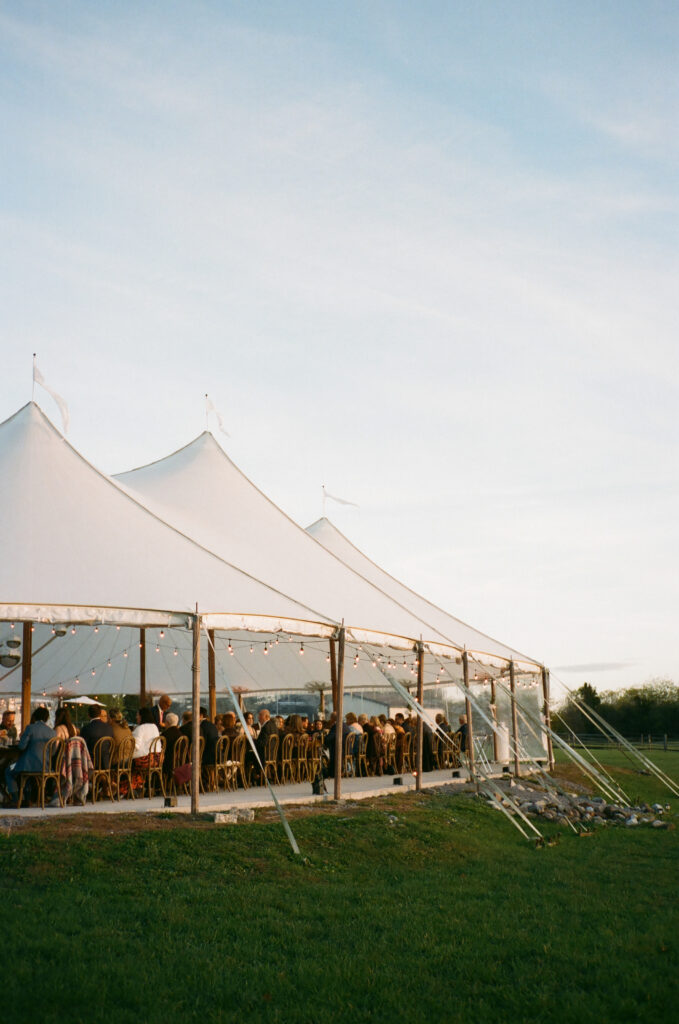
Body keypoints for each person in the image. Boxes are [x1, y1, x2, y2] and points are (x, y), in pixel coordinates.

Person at [4, 706, 56, 804]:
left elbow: (21, 747)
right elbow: (53, 752)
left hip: (27, 766)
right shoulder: (52, 732)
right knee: (24, 773)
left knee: (8, 770)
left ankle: (15, 799)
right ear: (47, 718)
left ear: (35, 716)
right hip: (46, 767)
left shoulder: (30, 728)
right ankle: (27, 798)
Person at [161, 713, 182, 778]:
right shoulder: (181, 734)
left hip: (168, 763)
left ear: (167, 722)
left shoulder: (165, 735)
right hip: (180, 761)